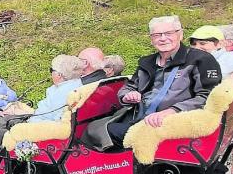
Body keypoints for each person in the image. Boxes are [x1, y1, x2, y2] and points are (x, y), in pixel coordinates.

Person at [85, 15, 221, 151]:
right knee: (93, 127)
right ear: (151, 39)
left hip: (173, 123)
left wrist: (173, 110)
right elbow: (128, 87)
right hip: (140, 116)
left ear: (180, 34)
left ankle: (120, 167)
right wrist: (128, 95)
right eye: (157, 35)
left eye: (168, 33)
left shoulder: (200, 60)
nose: (163, 38)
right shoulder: (147, 62)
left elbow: (208, 96)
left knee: (99, 132)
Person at [29, 55, 85, 122]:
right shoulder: (79, 85)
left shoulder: (59, 94)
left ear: (59, 75)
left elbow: (51, 119)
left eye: (51, 70)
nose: (51, 73)